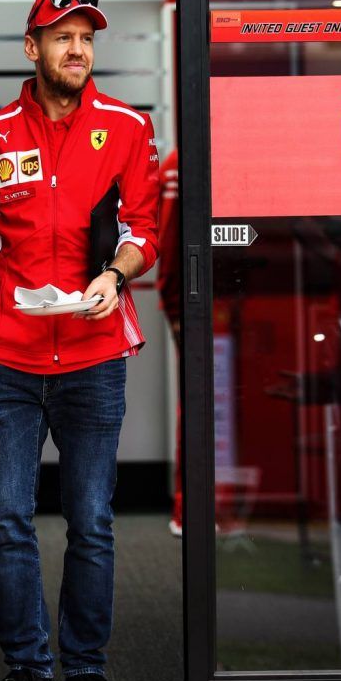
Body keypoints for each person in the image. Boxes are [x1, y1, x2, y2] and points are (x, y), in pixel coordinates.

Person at [0, 0, 159, 681]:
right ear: (33, 49)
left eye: (86, 37)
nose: (77, 49)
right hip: (7, 359)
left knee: (91, 520)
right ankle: (29, 671)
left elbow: (144, 227)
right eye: (62, 37)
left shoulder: (127, 127)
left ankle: (85, 668)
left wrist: (113, 274)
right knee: (8, 521)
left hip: (94, 356)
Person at [156, 149, 183, 535]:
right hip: (201, 306)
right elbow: (172, 239)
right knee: (201, 405)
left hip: (243, 298)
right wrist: (178, 309)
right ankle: (190, 509)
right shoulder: (182, 161)